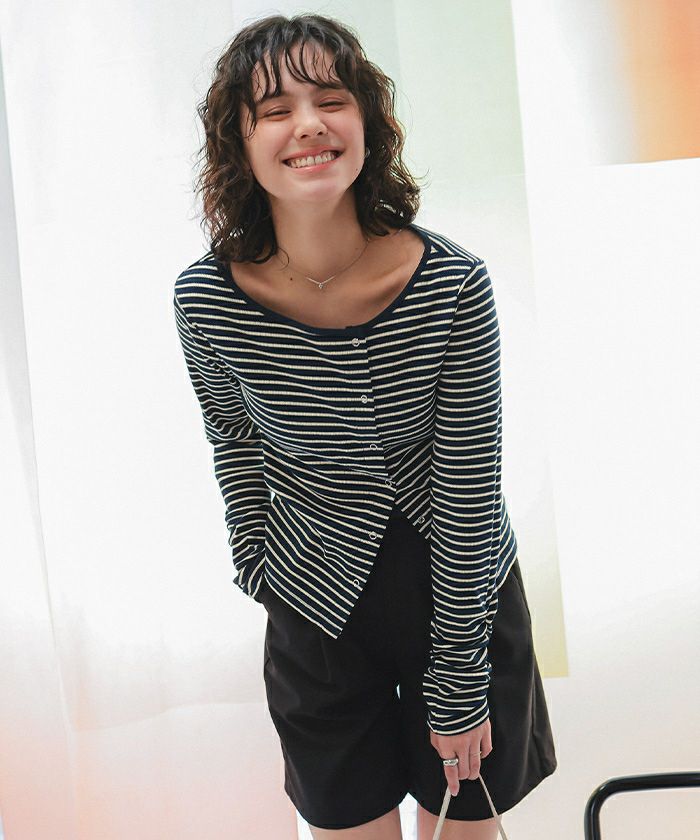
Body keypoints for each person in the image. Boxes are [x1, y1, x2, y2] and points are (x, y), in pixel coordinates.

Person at [174, 13, 557, 840]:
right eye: (275, 109)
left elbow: (467, 488)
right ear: (239, 142)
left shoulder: (453, 284)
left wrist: (459, 681)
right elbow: (234, 442)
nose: (308, 124)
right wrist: (258, 565)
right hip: (313, 597)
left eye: (331, 100)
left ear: (367, 123)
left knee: (464, 825)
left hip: (460, 593)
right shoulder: (206, 300)